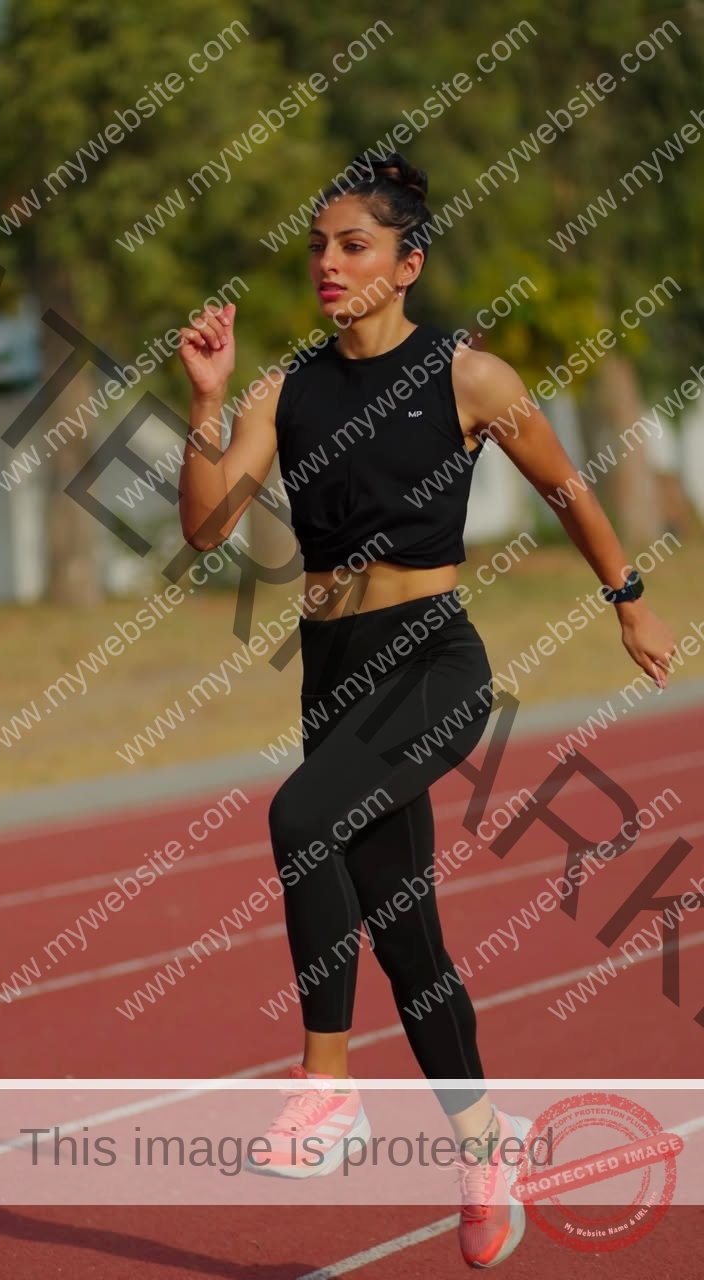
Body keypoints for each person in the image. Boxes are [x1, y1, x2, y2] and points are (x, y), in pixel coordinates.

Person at [178, 151, 676, 1269]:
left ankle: (327, 1085)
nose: (328, 263)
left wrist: (630, 600)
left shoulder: (471, 377)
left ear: (406, 265)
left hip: (432, 662)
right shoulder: (282, 389)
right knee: (408, 937)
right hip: (332, 669)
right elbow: (205, 528)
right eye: (318, 246)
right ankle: (489, 1153)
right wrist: (206, 403)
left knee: (299, 817)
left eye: (353, 245)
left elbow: (567, 487)